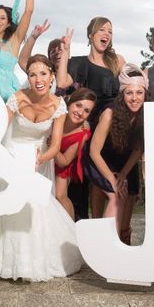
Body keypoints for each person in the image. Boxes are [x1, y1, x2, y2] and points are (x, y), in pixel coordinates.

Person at [0, 55, 84, 281]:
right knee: (7, 207)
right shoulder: (16, 98)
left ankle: (31, 261)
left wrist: (41, 158)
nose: (38, 79)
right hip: (11, 155)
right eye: (32, 74)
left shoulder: (59, 105)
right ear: (28, 78)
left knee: (33, 207)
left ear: (52, 76)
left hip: (38, 158)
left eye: (43, 73)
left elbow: (56, 145)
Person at [56, 17, 126, 220]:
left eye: (110, 31)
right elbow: (61, 81)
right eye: (102, 30)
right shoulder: (78, 63)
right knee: (82, 187)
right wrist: (66, 51)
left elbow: (135, 82)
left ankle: (115, 233)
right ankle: (79, 231)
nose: (106, 34)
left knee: (114, 184)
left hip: (113, 128)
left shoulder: (117, 61)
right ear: (91, 34)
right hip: (88, 129)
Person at [85, 64, 145, 243]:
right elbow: (94, 151)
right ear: (122, 94)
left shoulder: (146, 114)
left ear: (145, 93)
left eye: (139, 93)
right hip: (100, 159)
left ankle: (122, 237)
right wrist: (113, 180)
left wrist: (123, 175)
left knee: (128, 194)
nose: (134, 98)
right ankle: (104, 243)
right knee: (114, 194)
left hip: (126, 161)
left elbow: (137, 149)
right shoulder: (110, 114)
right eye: (129, 93)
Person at [54, 88, 97, 220]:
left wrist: (52, 146)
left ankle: (70, 228)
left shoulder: (82, 133)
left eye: (86, 111)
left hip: (63, 162)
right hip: (44, 158)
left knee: (60, 195)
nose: (80, 112)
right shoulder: (57, 114)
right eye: (78, 105)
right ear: (70, 102)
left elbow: (65, 161)